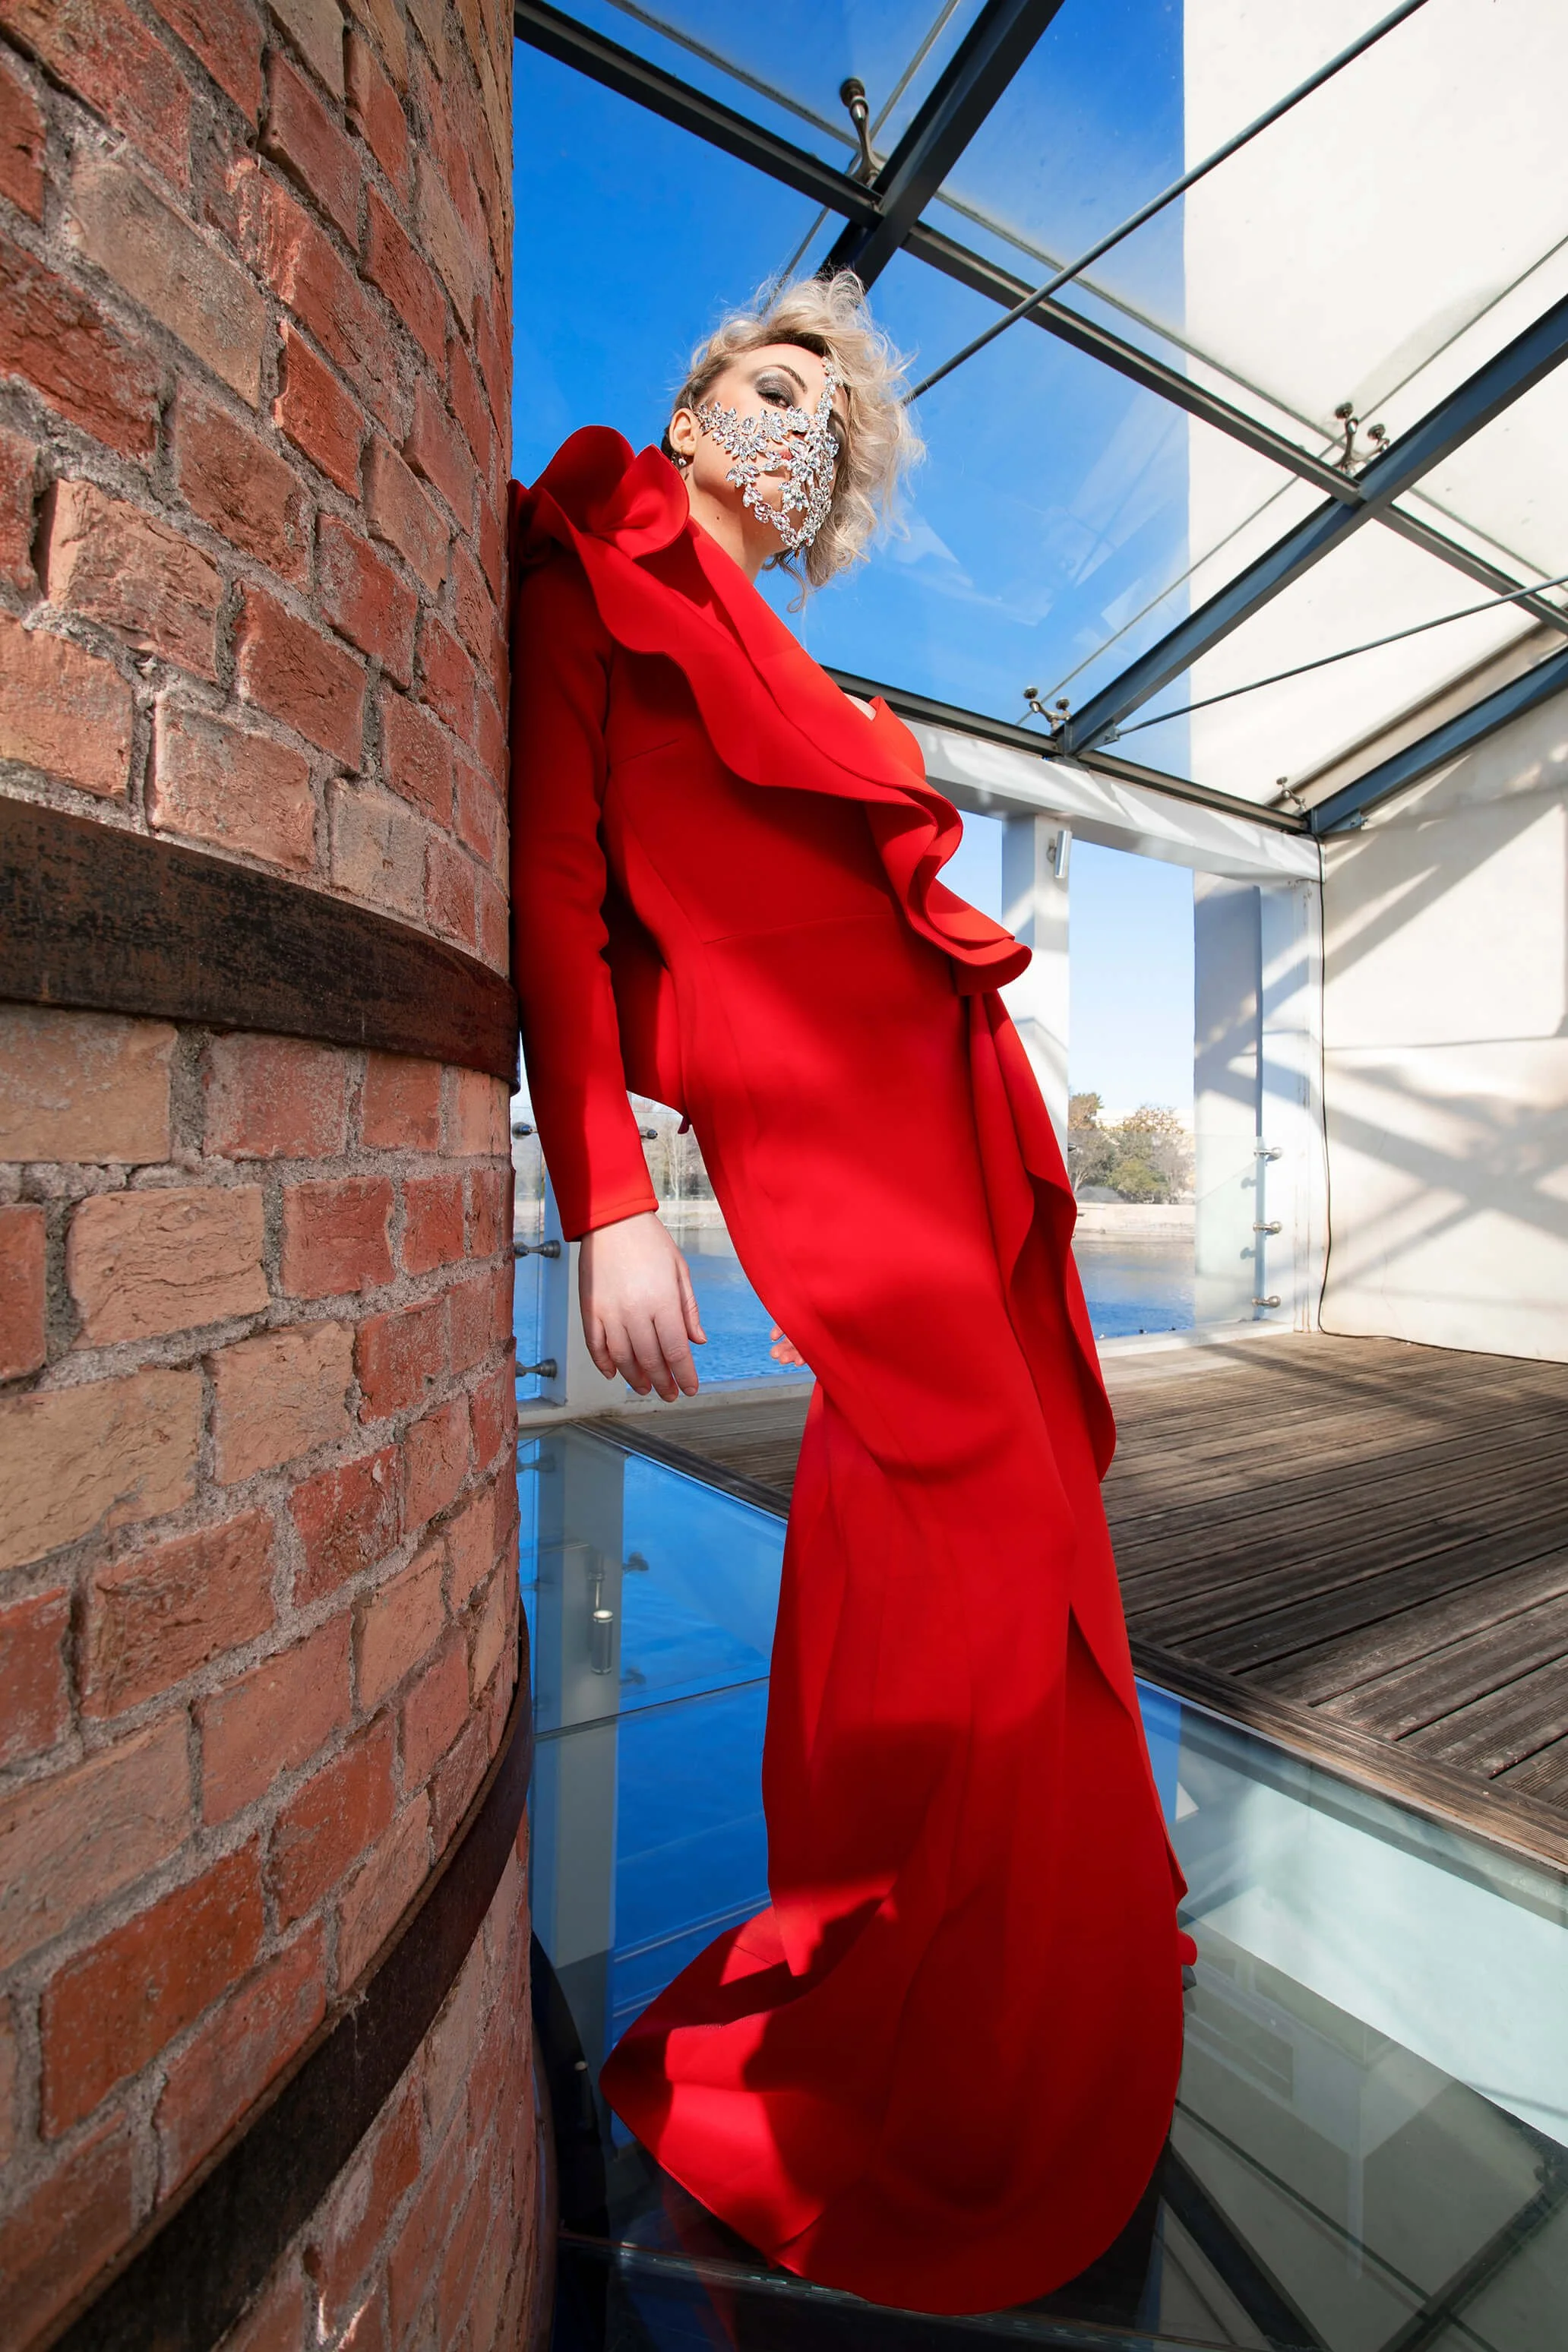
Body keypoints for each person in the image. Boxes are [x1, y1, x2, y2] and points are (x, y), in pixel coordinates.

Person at [507, 271, 1192, 2318]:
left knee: (1010, 1524)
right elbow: (554, 892)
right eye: (772, 379)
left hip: (959, 1128)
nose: (793, 418)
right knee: (981, 1526)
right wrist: (608, 1200)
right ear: (706, 386)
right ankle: (925, 2023)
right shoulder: (590, 574)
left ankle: (984, 1973)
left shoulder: (797, 661)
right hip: (837, 1162)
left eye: (829, 418)